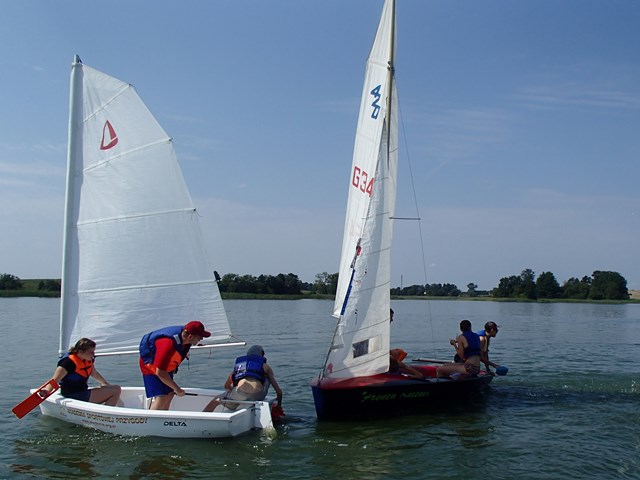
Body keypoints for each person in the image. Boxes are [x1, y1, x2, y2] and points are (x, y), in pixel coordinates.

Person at [139, 320, 210, 410]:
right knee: (163, 396)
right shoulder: (167, 343)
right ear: (190, 336)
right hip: (151, 368)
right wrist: (177, 389)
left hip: (165, 367)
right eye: (200, 337)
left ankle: (163, 417)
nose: (201, 339)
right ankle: (152, 418)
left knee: (169, 394)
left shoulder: (185, 340)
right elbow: (160, 372)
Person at [41, 338, 121, 405]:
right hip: (72, 395)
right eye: (91, 352)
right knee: (114, 392)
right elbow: (54, 380)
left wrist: (105, 383)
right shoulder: (68, 363)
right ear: (81, 352)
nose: (93, 354)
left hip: (83, 391)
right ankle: (105, 415)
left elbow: (94, 373)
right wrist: (47, 391)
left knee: (117, 388)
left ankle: (104, 410)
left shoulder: (87, 360)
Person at [203, 345, 283, 412]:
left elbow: (226, 386)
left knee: (216, 400)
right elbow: (279, 392)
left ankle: (203, 417)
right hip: (258, 396)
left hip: (239, 395)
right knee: (267, 378)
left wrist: (232, 390)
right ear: (262, 355)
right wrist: (279, 407)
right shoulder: (266, 367)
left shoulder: (240, 366)